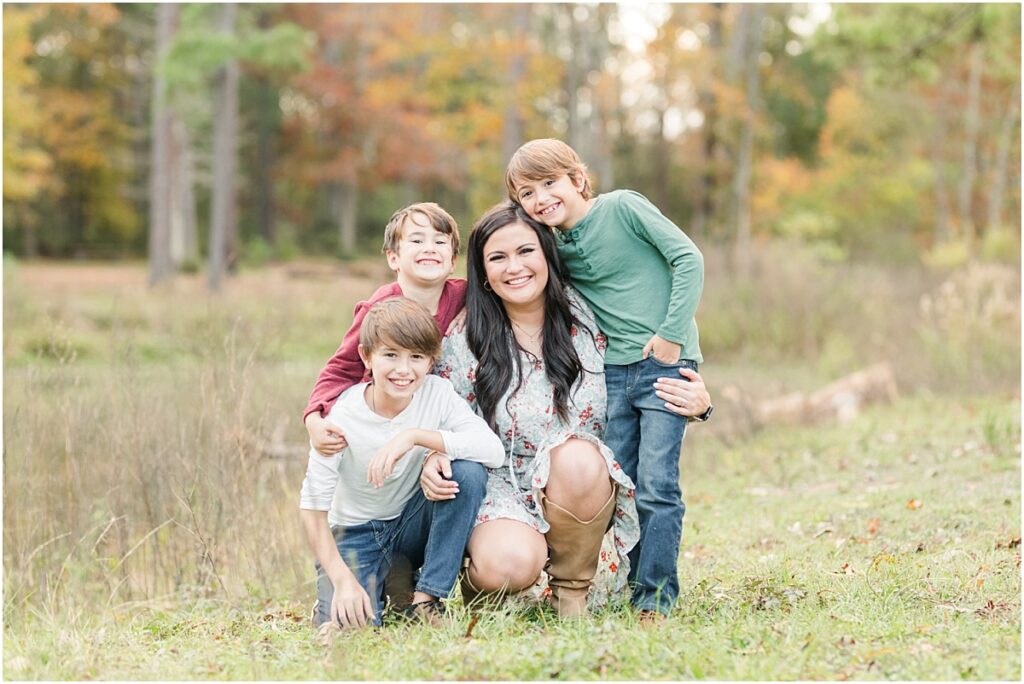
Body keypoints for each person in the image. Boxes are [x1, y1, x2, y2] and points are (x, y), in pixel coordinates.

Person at [423, 202, 711, 619]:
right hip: (502, 483)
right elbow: (440, 414)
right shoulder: (467, 334)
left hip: (583, 488)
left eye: (526, 252)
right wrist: (433, 454)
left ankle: (571, 590)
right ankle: (496, 576)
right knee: (507, 566)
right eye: (497, 258)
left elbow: (645, 376)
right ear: (482, 272)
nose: (514, 267)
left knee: (576, 455)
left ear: (547, 254)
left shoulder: (592, 316)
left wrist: (699, 404)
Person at [504, 139, 709, 621]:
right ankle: (618, 585)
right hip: (611, 374)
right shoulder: (551, 245)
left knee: (657, 484)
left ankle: (655, 599)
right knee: (620, 486)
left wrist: (671, 336)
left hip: (663, 363)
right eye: (527, 193)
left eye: (549, 183)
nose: (541, 199)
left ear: (576, 177)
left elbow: (689, 260)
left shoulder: (623, 207)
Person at [299, 297, 504, 631]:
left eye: (417, 358)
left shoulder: (437, 394)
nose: (404, 370)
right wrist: (342, 580)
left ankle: (425, 601)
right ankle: (376, 587)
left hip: (408, 523)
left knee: (466, 471)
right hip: (353, 535)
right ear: (366, 356)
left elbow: (492, 450)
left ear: (430, 360)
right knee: (350, 630)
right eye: (390, 355)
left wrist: (415, 437)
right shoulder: (342, 416)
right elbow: (312, 509)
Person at [303, 202, 466, 456]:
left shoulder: (466, 296)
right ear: (393, 258)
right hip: (388, 421)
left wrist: (472, 306)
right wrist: (314, 419)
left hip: (440, 421)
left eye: (440, 242)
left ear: (453, 260)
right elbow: (342, 367)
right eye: (417, 240)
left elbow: (499, 289)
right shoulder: (378, 309)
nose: (430, 248)